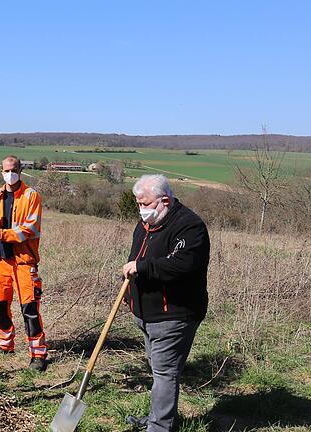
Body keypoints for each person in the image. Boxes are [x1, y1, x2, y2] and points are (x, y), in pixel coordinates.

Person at [121, 174, 210, 432]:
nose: (141, 210)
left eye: (145, 204)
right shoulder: (144, 225)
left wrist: (142, 267)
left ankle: (159, 427)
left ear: (165, 201)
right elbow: (135, 257)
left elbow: (182, 265)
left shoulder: (190, 227)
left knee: (165, 372)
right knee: (157, 367)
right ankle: (158, 418)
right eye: (138, 204)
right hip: (147, 314)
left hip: (174, 313)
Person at [0, 156, 48, 372]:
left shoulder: (31, 196)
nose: (10, 174)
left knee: (29, 307)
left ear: (20, 170)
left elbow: (30, 228)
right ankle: (5, 344)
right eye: (6, 170)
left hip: (23, 261)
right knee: (0, 305)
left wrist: (2, 233)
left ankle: (37, 355)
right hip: (0, 260)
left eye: (14, 170)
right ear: (1, 172)